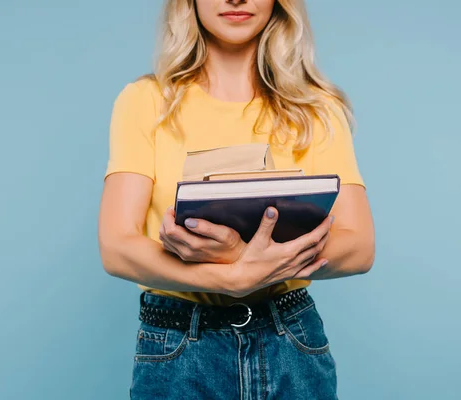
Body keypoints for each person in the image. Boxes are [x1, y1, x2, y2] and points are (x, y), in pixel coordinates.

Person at [98, 0, 375, 398]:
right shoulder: (146, 101)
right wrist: (231, 277)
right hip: (178, 345)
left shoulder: (316, 109)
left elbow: (360, 247)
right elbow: (117, 247)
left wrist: (237, 256)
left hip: (290, 342)